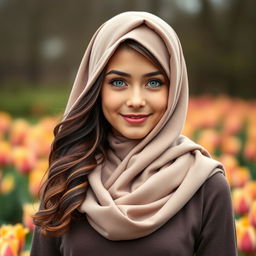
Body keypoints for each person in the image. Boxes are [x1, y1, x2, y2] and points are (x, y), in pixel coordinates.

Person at [30, 11, 237, 255]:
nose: (136, 100)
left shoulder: (206, 186)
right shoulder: (68, 175)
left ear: (175, 88)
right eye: (118, 82)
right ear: (96, 87)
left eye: (154, 83)